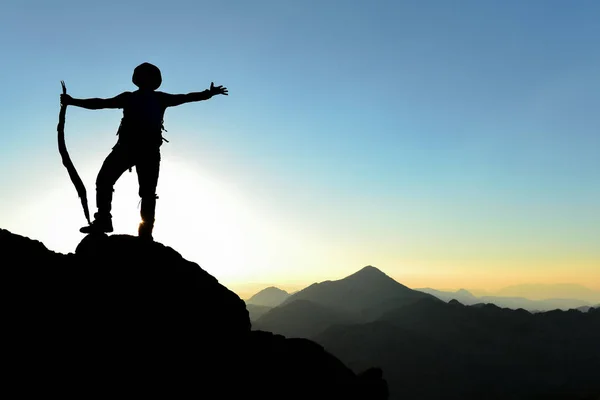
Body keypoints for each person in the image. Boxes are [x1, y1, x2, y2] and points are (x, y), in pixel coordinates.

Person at [60, 62, 228, 240]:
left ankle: (144, 233)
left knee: (145, 192)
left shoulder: (159, 98)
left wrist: (208, 94)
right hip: (128, 148)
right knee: (105, 180)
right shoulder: (130, 98)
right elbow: (101, 103)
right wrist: (73, 101)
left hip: (146, 151)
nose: (140, 76)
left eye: (143, 74)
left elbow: (186, 97)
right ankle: (105, 220)